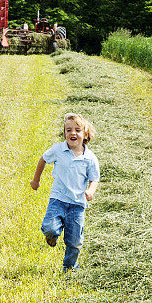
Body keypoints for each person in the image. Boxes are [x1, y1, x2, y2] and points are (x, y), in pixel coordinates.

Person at [30, 112, 100, 271]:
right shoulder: (58, 150)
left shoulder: (90, 158)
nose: (72, 133)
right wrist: (36, 180)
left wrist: (90, 191)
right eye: (68, 130)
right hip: (58, 199)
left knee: (74, 241)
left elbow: (94, 178)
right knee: (49, 227)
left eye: (77, 130)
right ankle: (52, 236)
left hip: (77, 205)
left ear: (85, 135)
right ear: (64, 133)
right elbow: (43, 159)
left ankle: (70, 268)